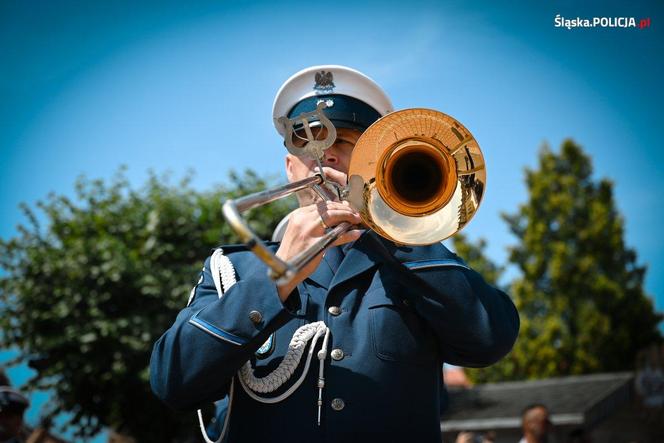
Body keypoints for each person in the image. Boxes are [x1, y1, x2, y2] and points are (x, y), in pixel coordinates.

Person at [150, 65, 520, 442]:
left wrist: (396, 229)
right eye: (305, 143)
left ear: (375, 160)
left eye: (342, 142)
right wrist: (273, 281)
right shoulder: (232, 268)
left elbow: (490, 339)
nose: (324, 157)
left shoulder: (415, 263)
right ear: (289, 166)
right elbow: (173, 382)